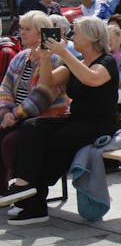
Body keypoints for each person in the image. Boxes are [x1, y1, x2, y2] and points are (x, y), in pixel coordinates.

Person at [0, 17, 119, 224]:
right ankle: (25, 186)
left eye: (77, 32)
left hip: (99, 124)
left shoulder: (106, 62)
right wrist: (46, 57)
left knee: (54, 144)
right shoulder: (77, 62)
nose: (72, 36)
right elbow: (48, 82)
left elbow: (91, 78)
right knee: (33, 127)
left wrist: (64, 52)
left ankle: (34, 202)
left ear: (91, 37)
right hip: (76, 120)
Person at [0, 12, 69, 186]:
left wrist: (13, 115)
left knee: (11, 143)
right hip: (17, 118)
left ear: (40, 33)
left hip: (43, 120)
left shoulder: (54, 59)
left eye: (27, 29)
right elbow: (5, 87)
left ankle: (23, 187)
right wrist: (5, 112)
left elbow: (43, 96)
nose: (21, 32)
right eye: (21, 28)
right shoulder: (20, 57)